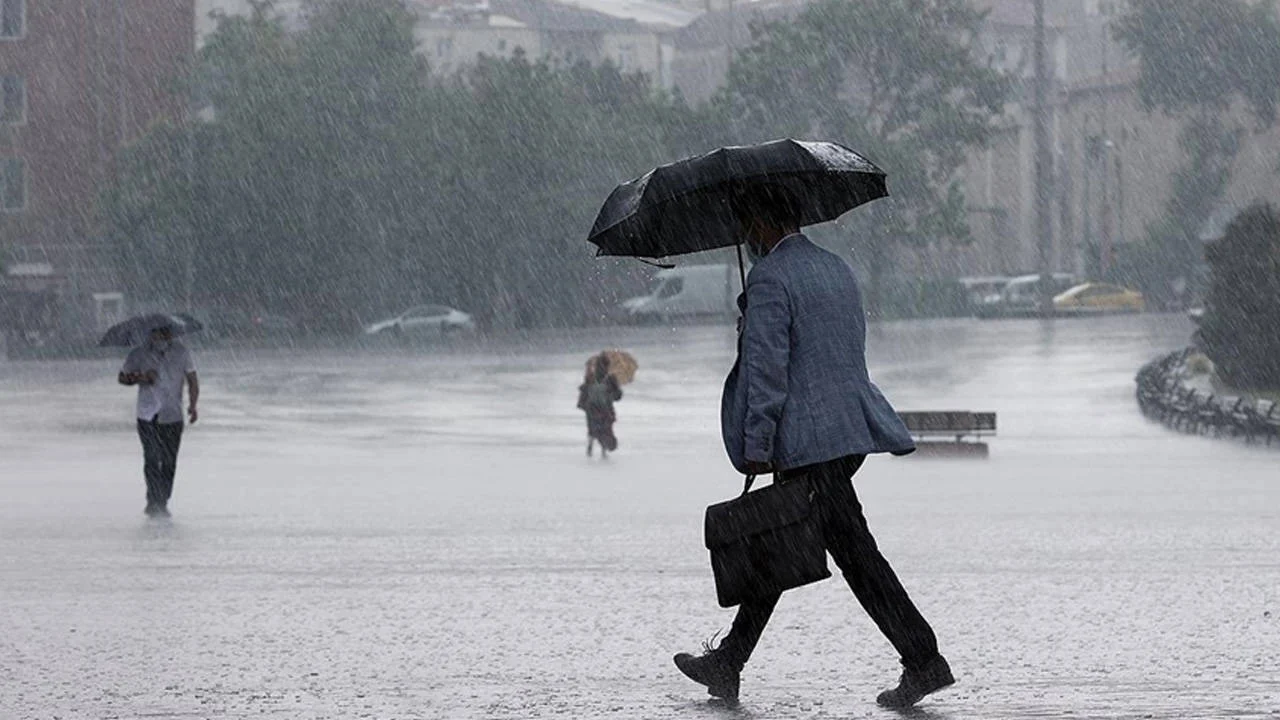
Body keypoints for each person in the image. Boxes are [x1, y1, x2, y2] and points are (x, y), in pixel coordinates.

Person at [672, 185, 953, 709]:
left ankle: (923, 659)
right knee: (781, 542)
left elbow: (768, 372)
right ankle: (729, 661)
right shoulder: (836, 268)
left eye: (747, 224)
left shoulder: (771, 279)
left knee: (851, 555)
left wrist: (757, 444)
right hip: (845, 433)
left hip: (807, 443)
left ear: (762, 221)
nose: (745, 236)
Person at [118, 325, 199, 517]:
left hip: (173, 414)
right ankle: (153, 500)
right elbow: (122, 377)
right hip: (147, 414)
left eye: (165, 333)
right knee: (152, 457)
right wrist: (141, 377)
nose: (161, 337)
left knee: (169, 460)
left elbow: (192, 379)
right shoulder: (138, 354)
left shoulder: (181, 353)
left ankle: (163, 499)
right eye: (157, 333)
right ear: (151, 334)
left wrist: (193, 405)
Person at [577, 352, 623, 458]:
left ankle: (595, 448)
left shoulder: (598, 378)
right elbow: (618, 395)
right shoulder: (604, 379)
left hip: (598, 409)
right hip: (600, 409)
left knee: (597, 430)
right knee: (601, 430)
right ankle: (599, 450)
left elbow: (617, 395)